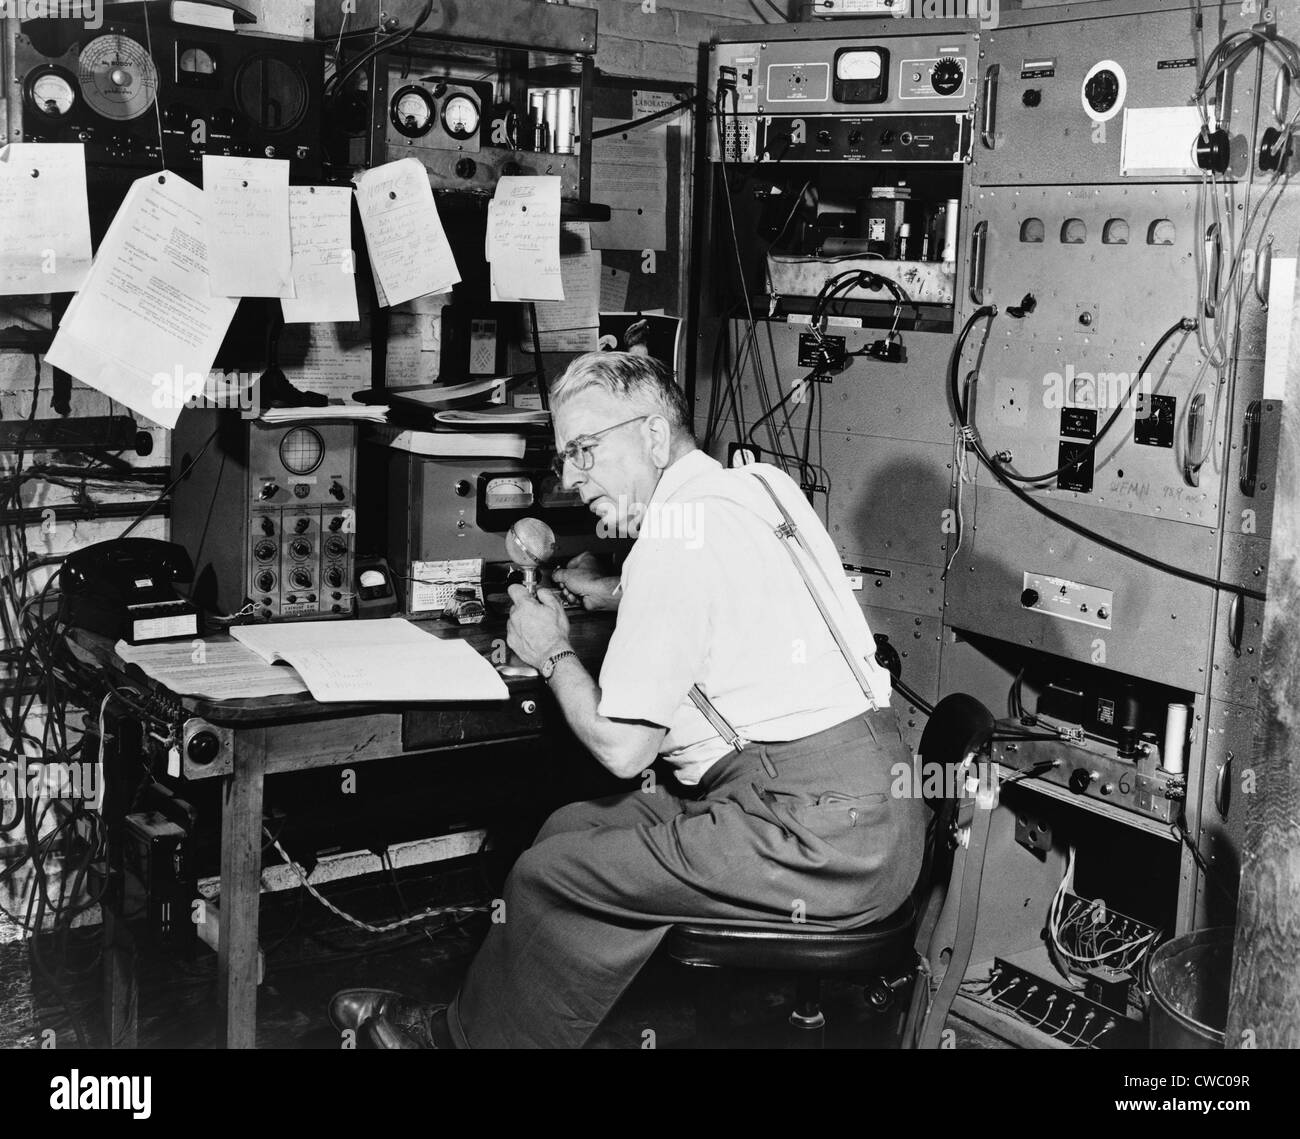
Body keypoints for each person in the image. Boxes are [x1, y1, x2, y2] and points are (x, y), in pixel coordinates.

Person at [329, 351, 924, 1048]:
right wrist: (613, 592)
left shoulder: (672, 547)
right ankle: (489, 1026)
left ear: (651, 435)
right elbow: (740, 591)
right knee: (571, 829)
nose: (572, 478)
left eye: (584, 450)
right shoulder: (757, 485)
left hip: (816, 838)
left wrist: (550, 651)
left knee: (547, 873)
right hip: (870, 807)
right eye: (565, 458)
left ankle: (452, 1042)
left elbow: (622, 749)